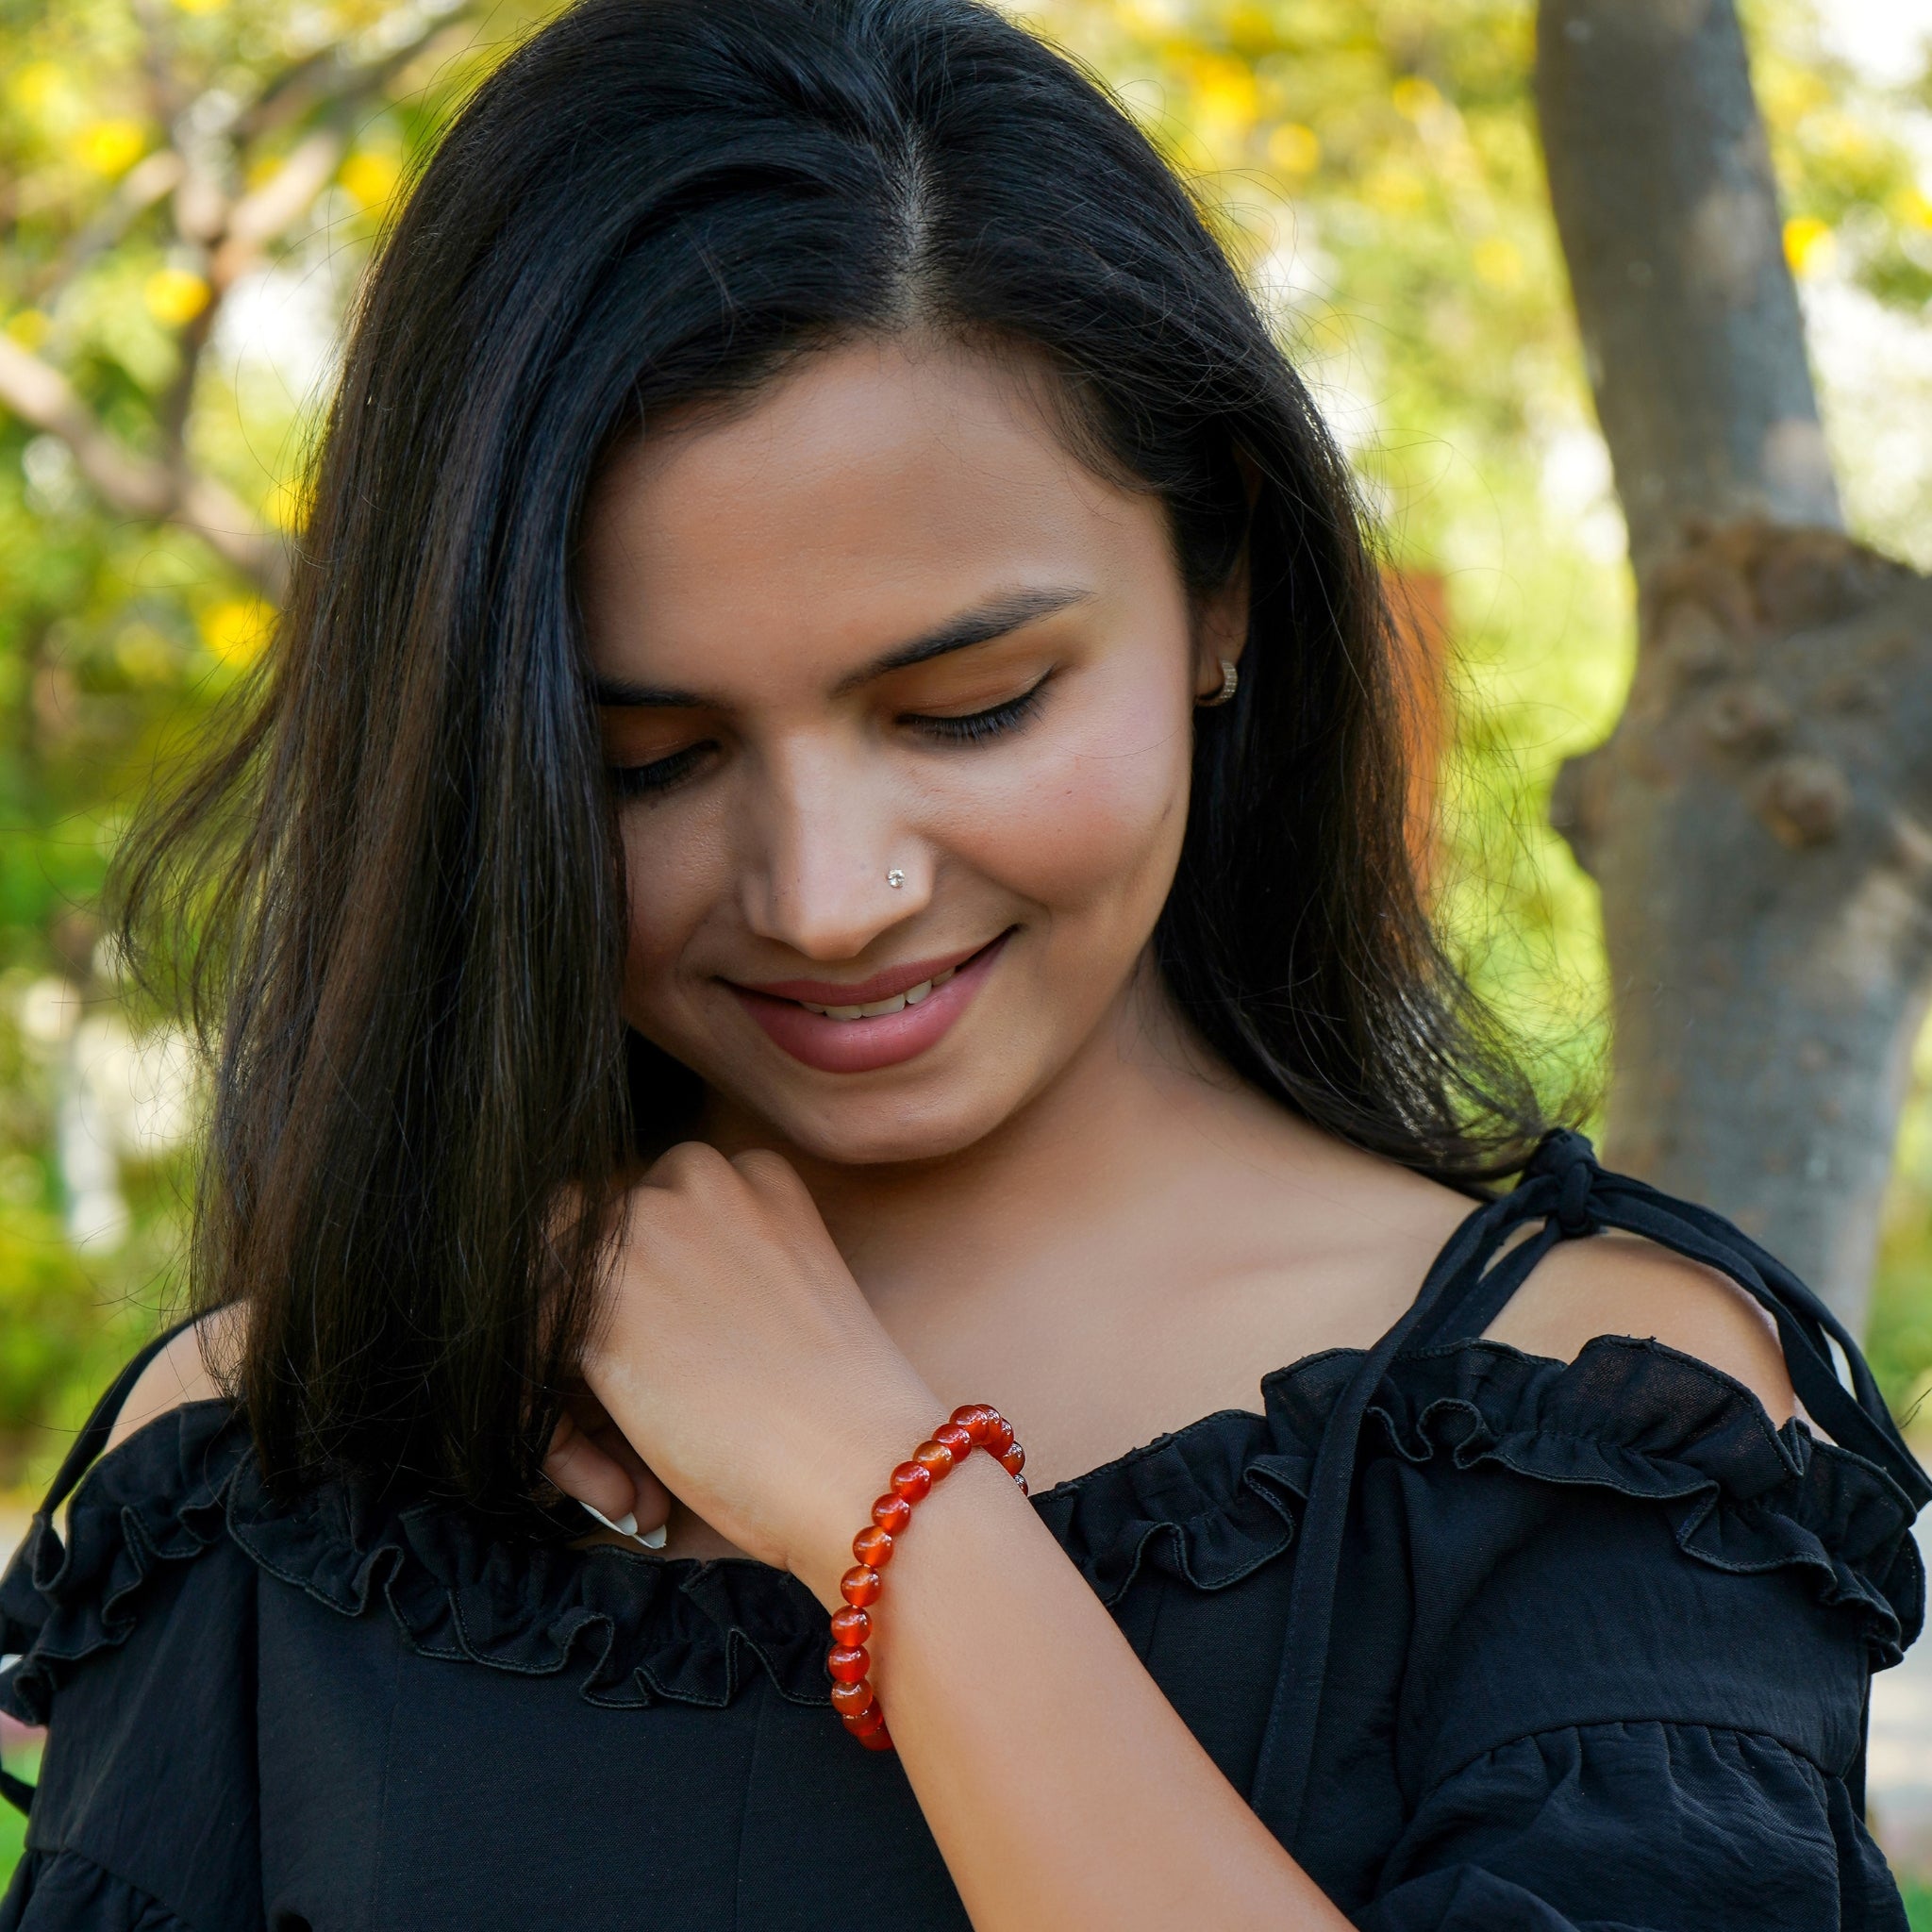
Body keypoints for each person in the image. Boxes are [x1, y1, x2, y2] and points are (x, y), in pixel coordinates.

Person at [2, 0, 1924, 1924]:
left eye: (970, 707)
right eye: (647, 760)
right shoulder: (271, 1455)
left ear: (1225, 588)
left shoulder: (1592, 1422)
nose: (828, 896)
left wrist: (885, 1501)